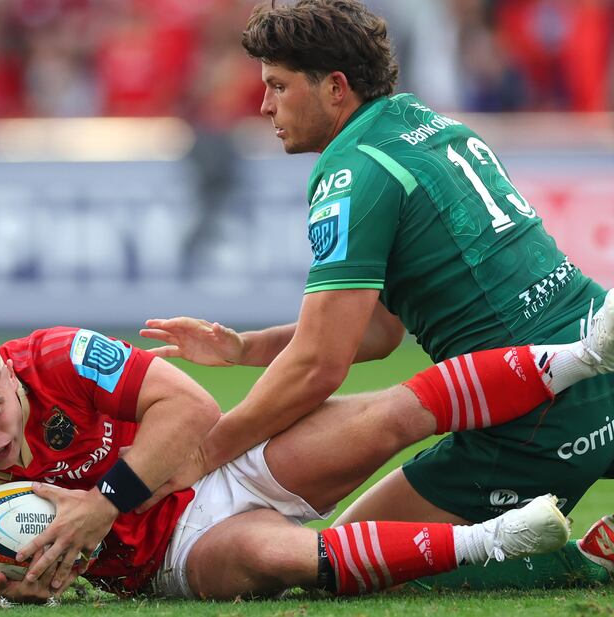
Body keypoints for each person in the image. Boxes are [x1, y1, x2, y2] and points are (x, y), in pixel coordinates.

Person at [139, 0, 614, 591]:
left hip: (535, 410)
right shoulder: (423, 121)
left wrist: (204, 456)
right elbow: (379, 331)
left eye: (279, 86)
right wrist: (244, 348)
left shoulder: (351, 171)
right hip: (597, 350)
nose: (264, 106)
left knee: (346, 564)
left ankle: (585, 563)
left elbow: (319, 365)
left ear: (335, 87)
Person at [0, 307, 614, 605]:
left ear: (5, 367)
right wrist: (3, 594)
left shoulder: (59, 354)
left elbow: (195, 410)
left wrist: (104, 503)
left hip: (212, 464)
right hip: (173, 556)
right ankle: (495, 540)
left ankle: (586, 354)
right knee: (284, 556)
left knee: (388, 415)